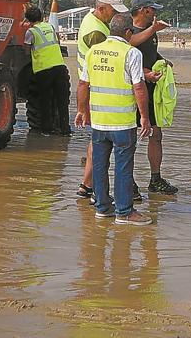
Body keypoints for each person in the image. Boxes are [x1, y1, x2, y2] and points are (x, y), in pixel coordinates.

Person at [74, 12, 153, 226]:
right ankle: (124, 211)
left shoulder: (93, 52)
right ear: (128, 32)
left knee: (99, 164)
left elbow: (82, 84)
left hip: (99, 122)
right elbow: (139, 87)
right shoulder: (131, 53)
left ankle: (102, 208)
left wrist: (81, 110)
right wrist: (144, 117)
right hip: (123, 123)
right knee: (123, 166)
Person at [75, 0, 130, 200]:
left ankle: (87, 185)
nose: (116, 16)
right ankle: (97, 192)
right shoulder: (95, 32)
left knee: (97, 141)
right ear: (101, 9)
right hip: (96, 90)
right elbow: (111, 59)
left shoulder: (96, 21)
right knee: (101, 144)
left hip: (91, 88)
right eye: (113, 11)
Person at [129, 0, 178, 194]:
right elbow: (130, 44)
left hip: (151, 89)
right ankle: (128, 181)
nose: (155, 13)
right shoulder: (129, 30)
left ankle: (155, 178)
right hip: (134, 89)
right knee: (130, 136)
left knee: (156, 134)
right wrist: (144, 73)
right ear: (143, 10)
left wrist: (162, 60)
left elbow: (150, 52)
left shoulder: (152, 32)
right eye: (152, 9)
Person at [23, 5, 71, 135]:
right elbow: (57, 42)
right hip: (60, 67)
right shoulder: (50, 27)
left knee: (44, 101)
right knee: (62, 100)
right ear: (41, 16)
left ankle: (46, 130)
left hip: (44, 70)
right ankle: (66, 130)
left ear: (28, 20)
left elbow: (27, 51)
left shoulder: (31, 32)